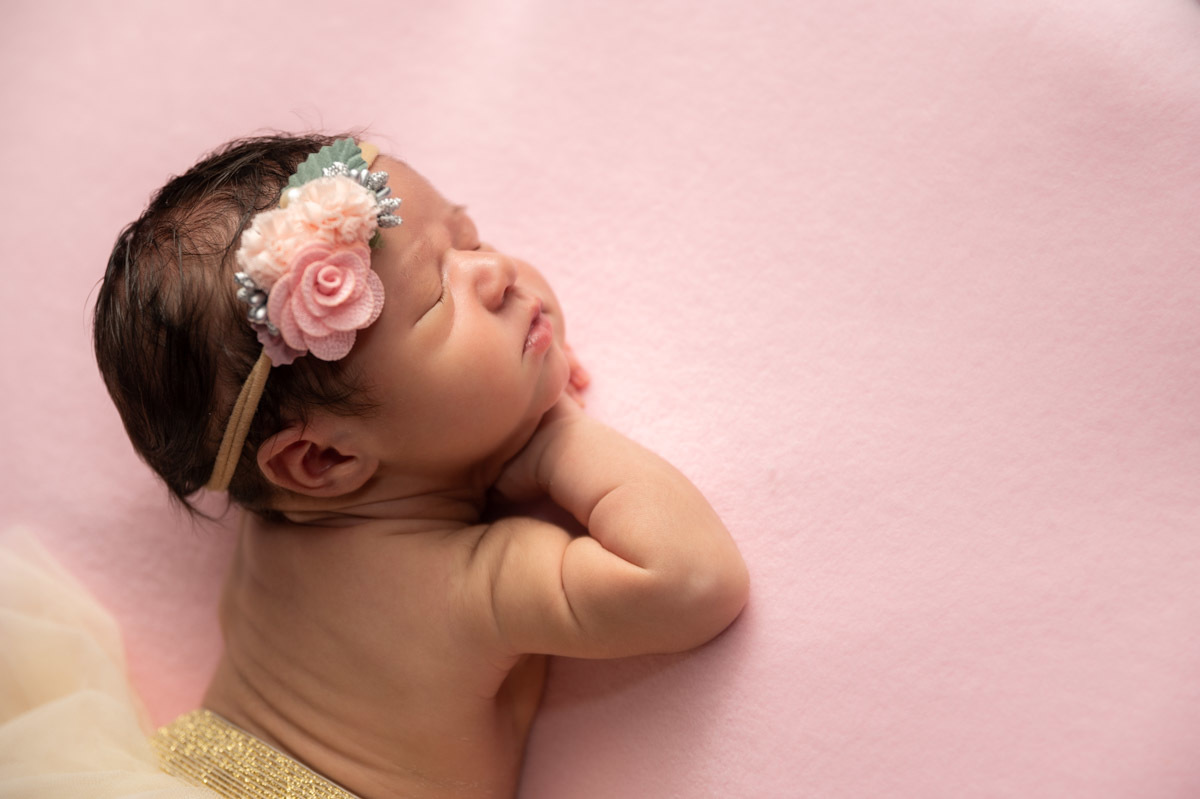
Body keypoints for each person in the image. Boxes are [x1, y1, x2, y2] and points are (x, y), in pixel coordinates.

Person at [91, 133, 750, 799]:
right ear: (322, 457)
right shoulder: (468, 585)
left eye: (470, 239)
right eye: (437, 300)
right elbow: (695, 580)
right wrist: (556, 438)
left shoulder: (267, 525)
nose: (494, 274)